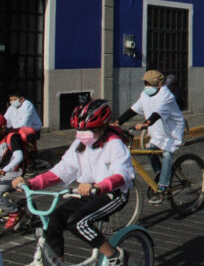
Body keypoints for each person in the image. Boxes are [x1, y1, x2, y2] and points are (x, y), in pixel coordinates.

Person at [12, 100, 133, 266]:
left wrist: (98, 186)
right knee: (53, 219)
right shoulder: (80, 144)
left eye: (89, 130)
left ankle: (114, 256)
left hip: (112, 194)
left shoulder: (115, 144)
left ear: (102, 127)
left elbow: (122, 175)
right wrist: (30, 183)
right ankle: (58, 263)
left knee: (78, 223)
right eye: (80, 130)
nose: (83, 134)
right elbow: (62, 170)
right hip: (86, 193)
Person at [112, 70, 185, 204]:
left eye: (150, 83)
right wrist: (118, 122)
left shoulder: (166, 95)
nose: (147, 86)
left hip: (171, 131)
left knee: (167, 154)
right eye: (145, 83)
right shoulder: (145, 95)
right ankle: (160, 173)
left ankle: (163, 187)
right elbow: (133, 110)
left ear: (159, 84)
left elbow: (158, 113)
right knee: (151, 151)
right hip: (158, 131)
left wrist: (146, 123)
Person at [0, 115, 29, 229]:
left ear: (2, 128)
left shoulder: (12, 137)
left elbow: (19, 157)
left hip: (14, 172)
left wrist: (4, 170)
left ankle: (14, 211)